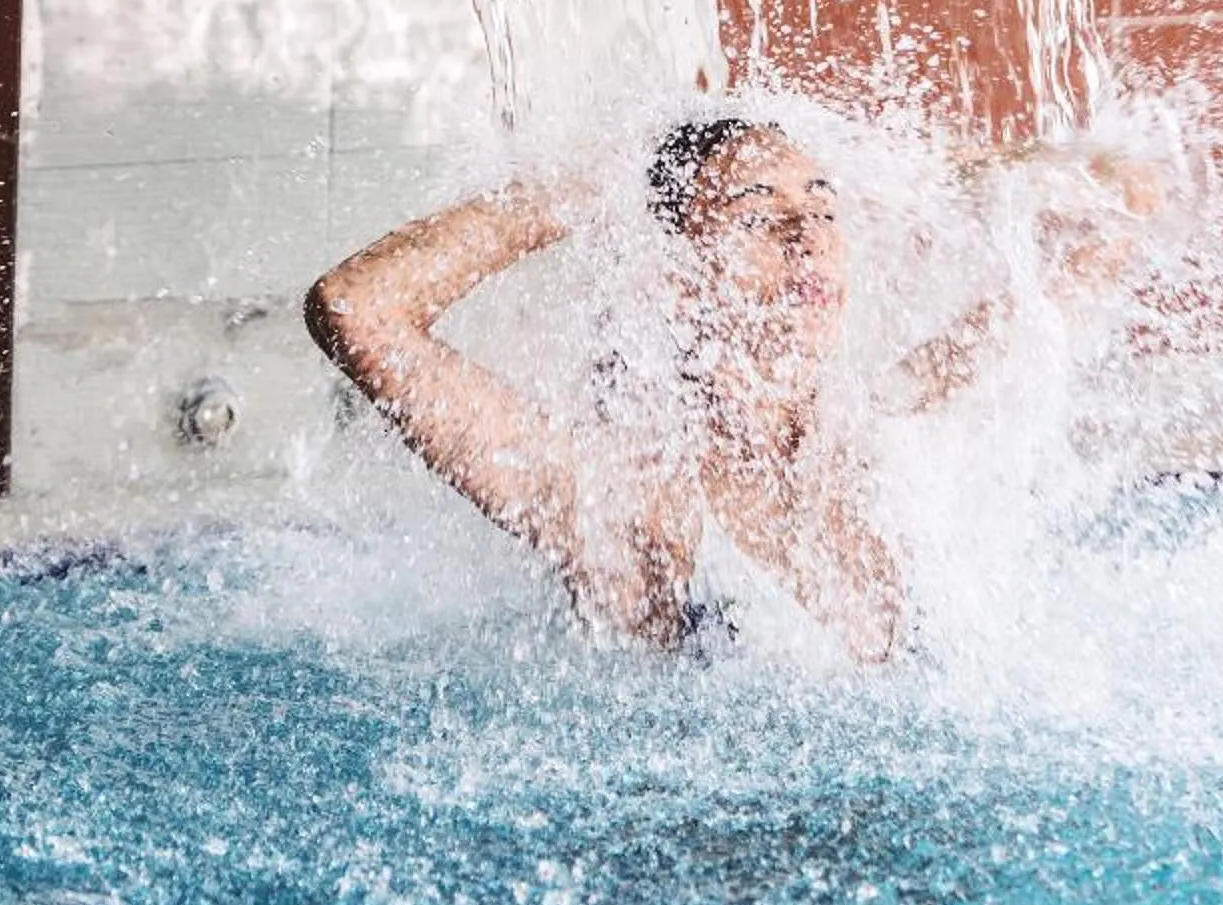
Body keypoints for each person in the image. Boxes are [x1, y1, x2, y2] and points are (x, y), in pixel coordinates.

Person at [305, 116, 1154, 664]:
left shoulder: (890, 422)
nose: (807, 235)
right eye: (756, 213)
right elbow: (357, 308)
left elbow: (1117, 221)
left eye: (822, 209)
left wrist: (921, 169)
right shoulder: (629, 503)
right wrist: (581, 194)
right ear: (674, 281)